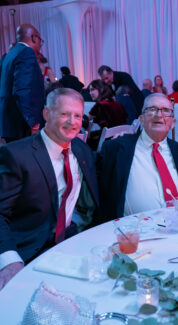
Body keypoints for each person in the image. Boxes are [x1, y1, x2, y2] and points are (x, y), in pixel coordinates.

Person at [0, 88, 100, 290]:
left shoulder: (82, 151)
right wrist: (9, 261)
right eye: (64, 114)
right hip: (27, 251)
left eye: (78, 116)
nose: (72, 122)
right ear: (46, 114)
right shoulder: (16, 155)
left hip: (70, 246)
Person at [99, 93, 178, 220]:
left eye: (165, 111)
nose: (159, 115)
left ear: (173, 123)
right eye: (152, 109)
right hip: (135, 232)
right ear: (141, 119)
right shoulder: (117, 149)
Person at [0, 24, 45, 141]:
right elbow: (21, 90)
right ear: (34, 38)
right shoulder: (27, 52)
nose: (40, 43)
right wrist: (32, 121)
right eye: (40, 40)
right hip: (22, 123)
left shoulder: (9, 54)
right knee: (26, 158)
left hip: (9, 122)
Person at [88, 80, 127, 150]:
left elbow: (87, 119)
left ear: (101, 89)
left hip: (104, 143)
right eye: (90, 90)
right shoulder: (117, 104)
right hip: (118, 140)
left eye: (92, 90)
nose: (90, 93)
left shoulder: (100, 105)